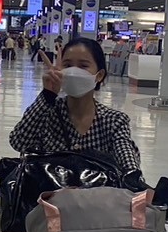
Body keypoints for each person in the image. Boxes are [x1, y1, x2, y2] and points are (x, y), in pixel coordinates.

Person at [9, 37, 141, 178]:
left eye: (83, 66)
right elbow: (19, 142)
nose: (73, 71)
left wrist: (134, 180)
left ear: (99, 75)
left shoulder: (114, 121)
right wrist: (47, 95)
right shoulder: (46, 112)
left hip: (96, 192)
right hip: (48, 191)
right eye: (67, 65)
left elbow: (129, 164)